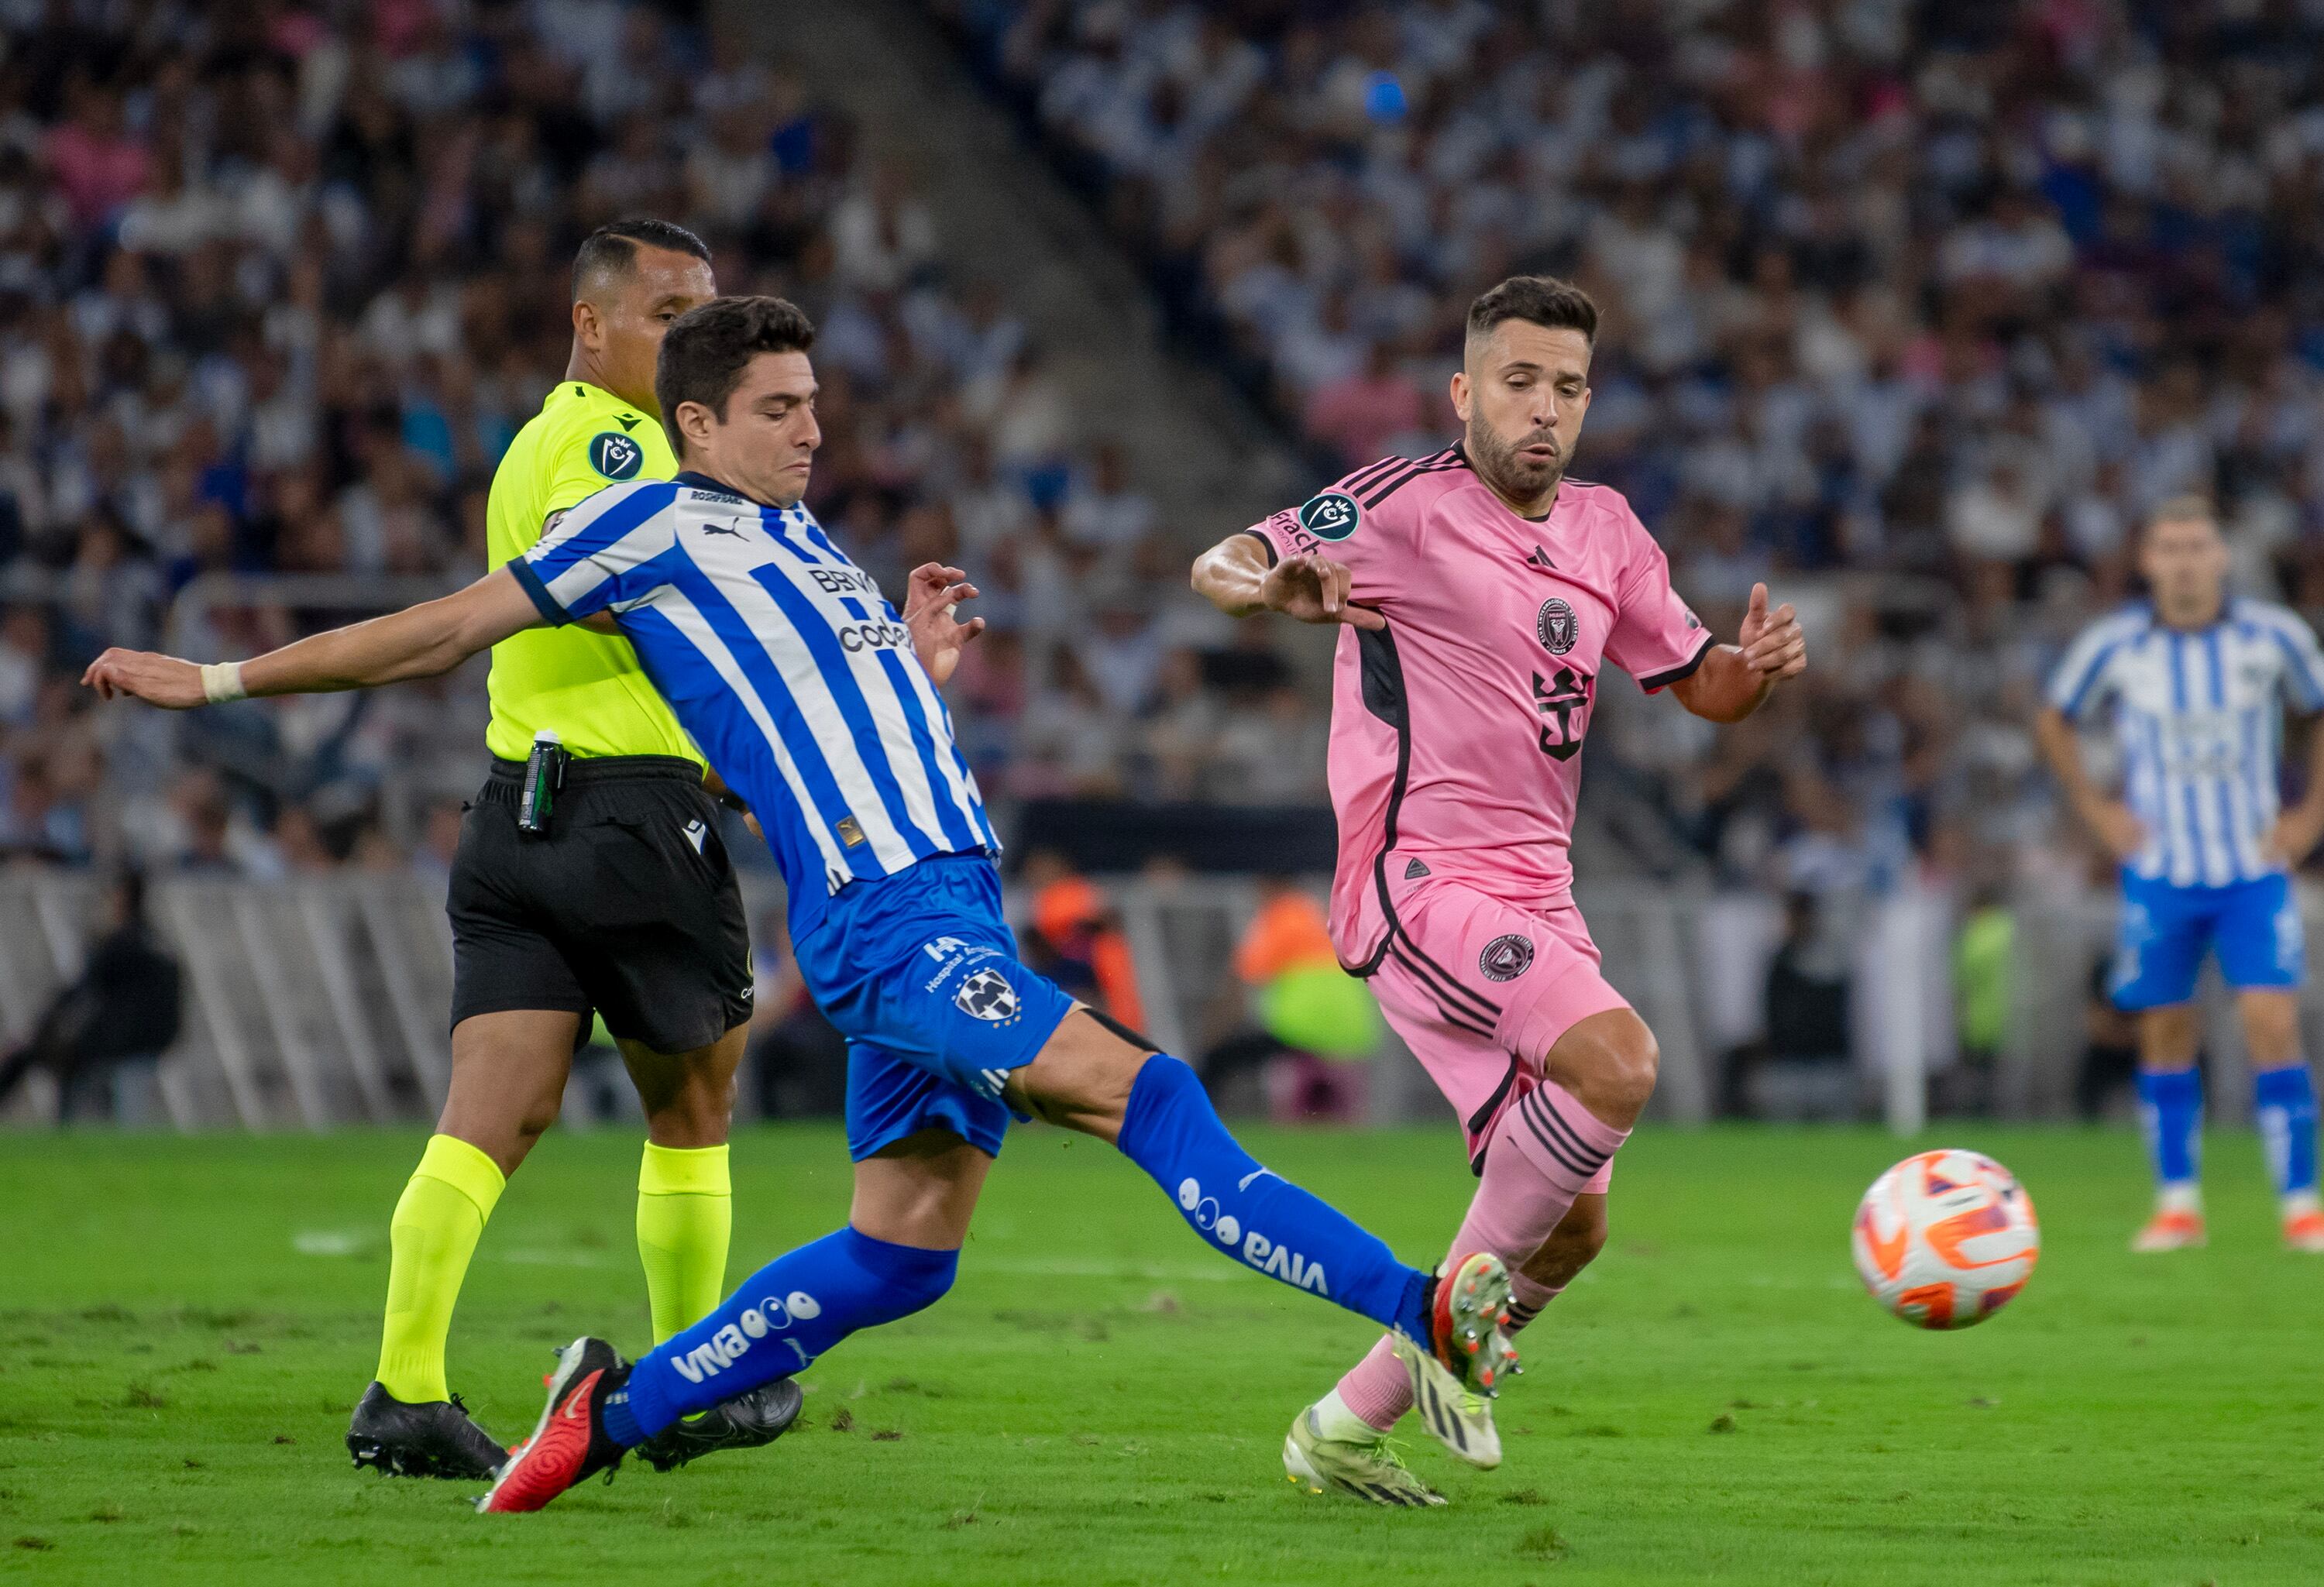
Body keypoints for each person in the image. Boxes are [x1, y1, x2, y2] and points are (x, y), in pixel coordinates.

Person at [84, 294, 1518, 1517]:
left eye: (815, 402)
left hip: (954, 902)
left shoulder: (807, 539)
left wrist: (918, 660)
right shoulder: (645, 523)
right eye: (777, 408)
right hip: (888, 922)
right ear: (696, 422)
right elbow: (445, 628)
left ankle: (610, 1413)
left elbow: (832, 712)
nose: (810, 428)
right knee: (1149, 1091)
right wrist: (216, 680)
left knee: (902, 1255)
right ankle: (1420, 1309)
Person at [1191, 274, 1807, 1506]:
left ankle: (1341, 1425)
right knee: (1620, 1064)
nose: (1544, 408)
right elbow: (1225, 558)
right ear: (1463, 392)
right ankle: (1452, 1338)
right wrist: (1265, 589)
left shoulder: (1609, 531)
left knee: (1574, 1228)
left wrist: (1757, 671)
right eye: (1519, 381)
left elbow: (1702, 681)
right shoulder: (1402, 505)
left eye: (1567, 387)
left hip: (1538, 891)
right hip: (1417, 876)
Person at [353, 219, 794, 1480]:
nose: (698, 339)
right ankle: (693, 1380)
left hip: (515, 813)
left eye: (709, 315)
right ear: (590, 325)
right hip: (628, 818)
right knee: (693, 1105)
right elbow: (603, 575)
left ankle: (406, 1388)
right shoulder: (622, 442)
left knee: (488, 1118)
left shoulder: (548, 439)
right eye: (670, 315)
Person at [2035, 497, 2324, 1254]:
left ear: (2221, 557)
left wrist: (2310, 817)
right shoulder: (2117, 643)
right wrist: (2096, 810)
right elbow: (2054, 716)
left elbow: (2319, 706)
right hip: (2161, 872)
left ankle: (2302, 1206)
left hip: (2251, 870)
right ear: (2148, 561)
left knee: (2272, 1021)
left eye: (2198, 546)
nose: (2186, 561)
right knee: (2164, 1029)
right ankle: (2177, 1204)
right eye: (2170, 547)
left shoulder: (2273, 636)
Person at [0, 870, 179, 1125]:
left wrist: (35, 1031)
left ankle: (65, 1125)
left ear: (122, 897)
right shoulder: (155, 941)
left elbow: (83, 991)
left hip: (120, 1041)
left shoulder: (120, 943)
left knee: (40, 1055)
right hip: (153, 1039)